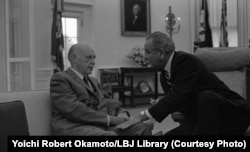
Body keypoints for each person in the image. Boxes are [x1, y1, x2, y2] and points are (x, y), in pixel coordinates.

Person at [117, 31, 250, 135]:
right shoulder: (164, 75)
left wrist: (142, 116)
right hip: (202, 120)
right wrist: (155, 115)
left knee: (206, 96)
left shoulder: (186, 61)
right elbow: (178, 100)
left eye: (147, 51)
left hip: (234, 116)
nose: (145, 56)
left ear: (162, 53)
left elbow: (177, 95)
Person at [50, 43, 152, 136]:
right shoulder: (60, 79)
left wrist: (122, 112)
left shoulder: (93, 81)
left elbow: (109, 101)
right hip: (76, 127)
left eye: (94, 58)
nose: (93, 62)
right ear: (73, 58)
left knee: (142, 127)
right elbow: (74, 110)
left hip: (100, 125)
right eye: (88, 58)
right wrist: (110, 120)